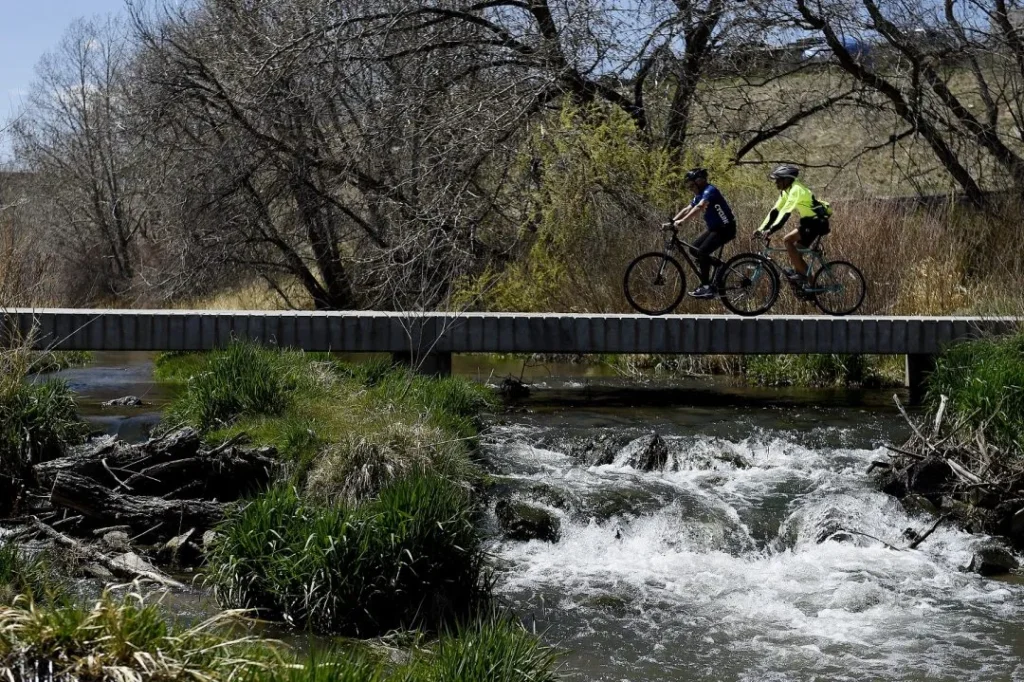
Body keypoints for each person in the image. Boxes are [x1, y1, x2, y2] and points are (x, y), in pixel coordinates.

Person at [753, 164, 831, 286]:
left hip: (816, 223)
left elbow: (785, 213)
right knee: (797, 257)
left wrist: (771, 230)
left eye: (778, 180)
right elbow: (776, 211)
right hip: (808, 224)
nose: (776, 183)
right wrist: (761, 228)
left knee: (788, 240)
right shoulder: (786, 191)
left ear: (787, 179)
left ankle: (803, 277)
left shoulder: (796, 190)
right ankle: (812, 287)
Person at [671, 168, 737, 299]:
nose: (689, 188)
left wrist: (682, 222)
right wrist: (672, 221)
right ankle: (719, 266)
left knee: (702, 252)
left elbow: (700, 207)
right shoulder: (699, 194)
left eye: (691, 184)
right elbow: (688, 208)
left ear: (699, 181)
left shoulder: (709, 191)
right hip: (715, 228)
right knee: (694, 250)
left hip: (726, 228)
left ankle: (706, 287)